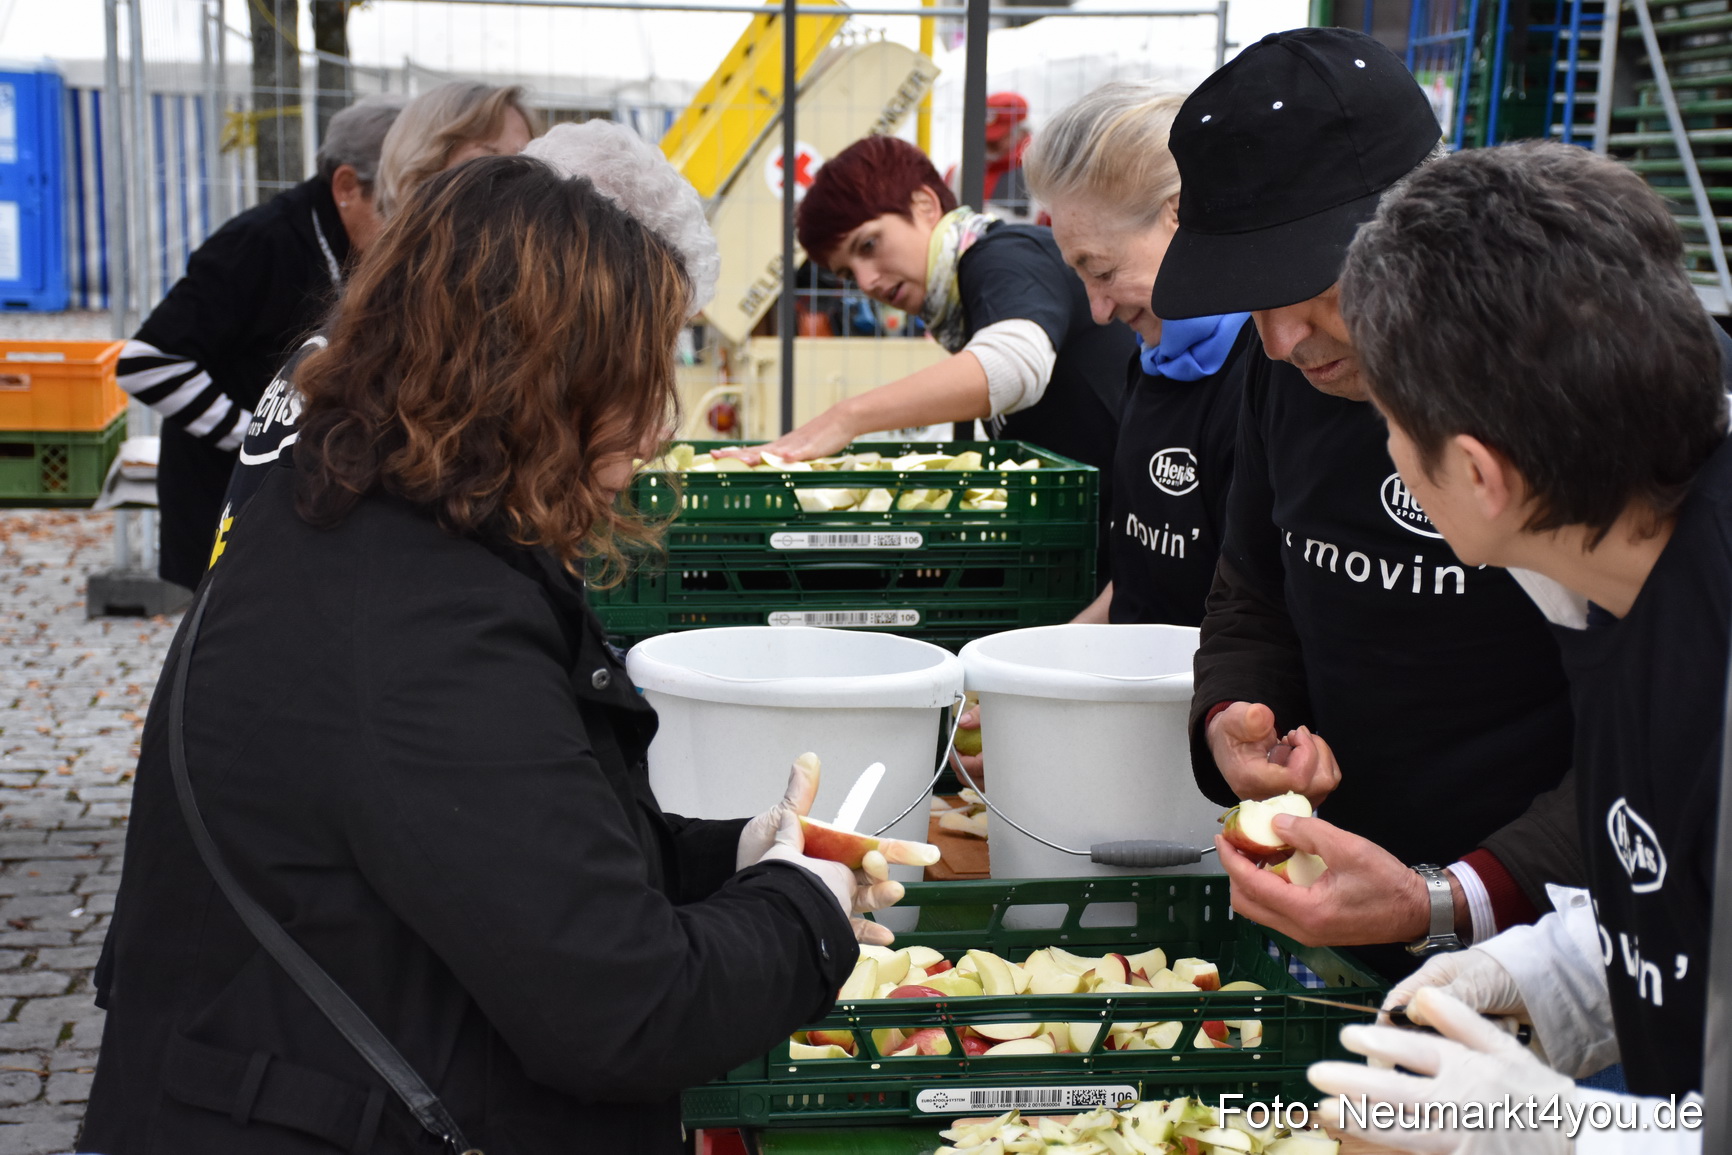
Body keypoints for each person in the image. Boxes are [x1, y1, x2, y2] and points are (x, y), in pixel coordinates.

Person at [81, 154, 937, 1154]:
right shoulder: (420, 625)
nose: (660, 424)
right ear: (535, 381)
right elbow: (627, 1010)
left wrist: (731, 856)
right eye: (636, 379)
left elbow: (499, 859)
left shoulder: (359, 527)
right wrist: (806, 909)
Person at [1308, 140, 1722, 1153]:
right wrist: (1536, 974)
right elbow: (1685, 902)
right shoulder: (1611, 583)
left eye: (1391, 425)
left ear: (1481, 476)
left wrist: (1556, 1134)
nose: (1391, 458)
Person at [1152, 28, 1583, 976]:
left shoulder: (1578, 392)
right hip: (1350, 916)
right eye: (1250, 300)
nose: (1279, 341)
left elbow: (1659, 744)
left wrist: (1452, 895)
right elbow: (1255, 585)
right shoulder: (1289, 376)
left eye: (1308, 286)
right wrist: (1235, 710)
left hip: (1565, 938)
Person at [730, 135, 1134, 583]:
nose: (866, 281)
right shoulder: (968, 289)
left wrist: (847, 418)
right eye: (847, 273)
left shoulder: (1004, 256)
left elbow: (1014, 365)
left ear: (924, 205)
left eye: (868, 246)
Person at [116, 94, 405, 590]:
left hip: (290, 503)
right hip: (223, 502)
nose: (406, 222)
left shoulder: (341, 240)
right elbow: (148, 363)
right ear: (346, 187)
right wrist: (252, 435)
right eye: (397, 202)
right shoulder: (258, 242)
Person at [220, 82, 543, 525]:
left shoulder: (390, 315)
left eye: (526, 163)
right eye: (487, 161)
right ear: (418, 174)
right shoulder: (405, 340)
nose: (517, 185)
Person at [1023, 82, 1256, 627]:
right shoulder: (1151, 359)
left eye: (1102, 271)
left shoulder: (1265, 376)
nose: (1098, 311)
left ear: (1180, 214)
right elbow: (1141, 574)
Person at [945, 92, 1039, 222]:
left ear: (1022, 132)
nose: (989, 143)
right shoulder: (957, 172)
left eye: (999, 137)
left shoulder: (1041, 173)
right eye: (985, 135)